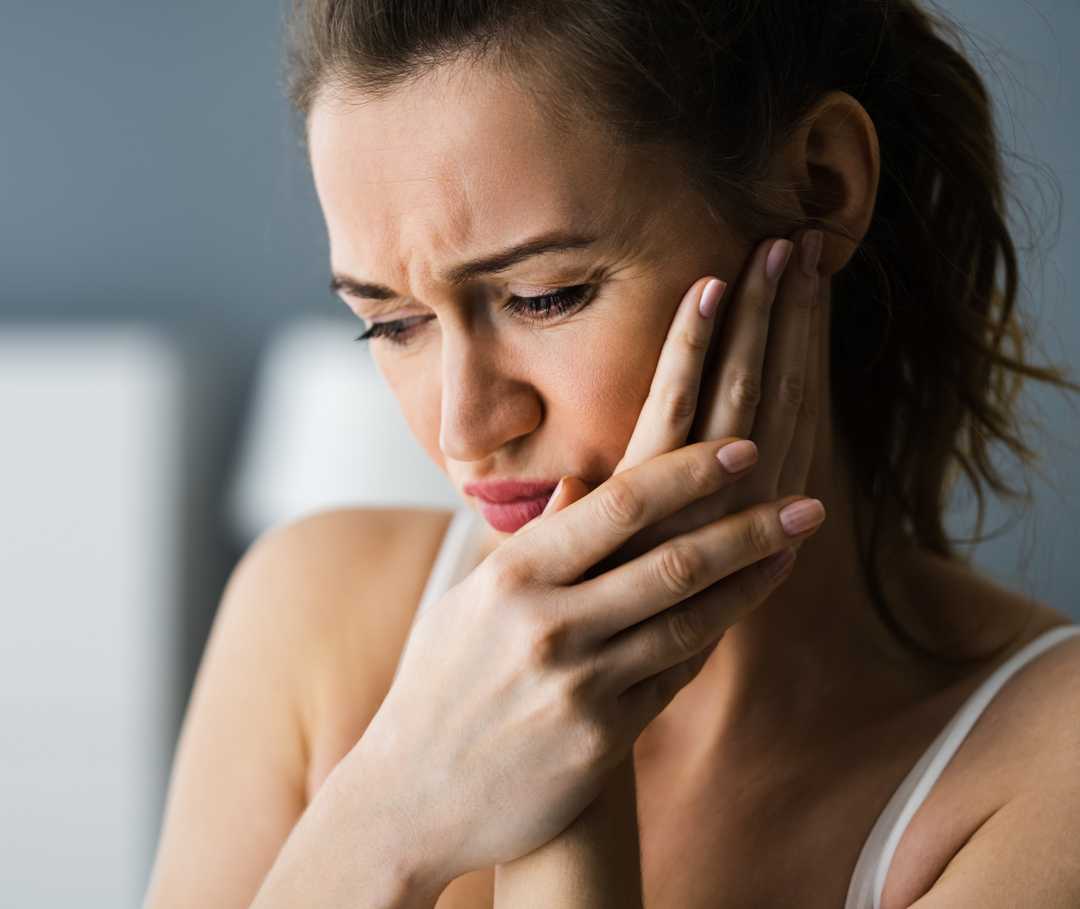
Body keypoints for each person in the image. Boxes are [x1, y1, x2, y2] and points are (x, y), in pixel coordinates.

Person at [143, 1, 1080, 906]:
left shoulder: (1049, 765)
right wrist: (384, 816)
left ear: (822, 186)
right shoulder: (311, 618)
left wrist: (571, 739)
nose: (465, 428)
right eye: (391, 324)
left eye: (546, 296)